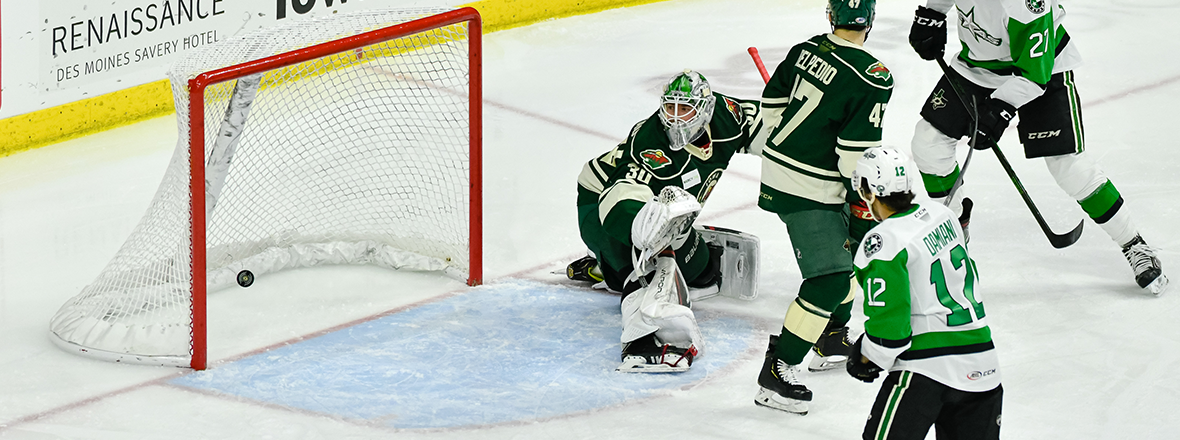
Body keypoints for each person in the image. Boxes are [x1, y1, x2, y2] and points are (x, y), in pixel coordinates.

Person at [906, 0, 1168, 295]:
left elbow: (1034, 74)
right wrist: (933, 14)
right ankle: (953, 238)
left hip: (1043, 69)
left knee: (1069, 167)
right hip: (978, 67)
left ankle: (1134, 244)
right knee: (928, 144)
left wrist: (1000, 110)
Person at [569, 70, 764, 372]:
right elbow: (619, 200)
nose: (674, 118)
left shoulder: (727, 116)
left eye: (684, 108)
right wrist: (646, 232)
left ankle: (608, 264)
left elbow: (769, 124)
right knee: (647, 268)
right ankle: (642, 340)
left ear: (705, 109)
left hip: (657, 209)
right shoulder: (651, 144)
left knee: (702, 272)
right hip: (600, 206)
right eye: (670, 107)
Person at [753, 0, 893, 415]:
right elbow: (853, 159)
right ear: (870, 20)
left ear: (830, 16)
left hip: (780, 169)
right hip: (809, 187)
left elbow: (771, 107)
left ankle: (831, 336)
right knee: (831, 277)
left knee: (855, 252)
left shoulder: (804, 49)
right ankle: (778, 371)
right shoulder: (874, 77)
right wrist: (866, 201)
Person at [846, 146, 1003, 440]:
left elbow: (890, 332)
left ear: (870, 191)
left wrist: (866, 355)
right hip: (984, 367)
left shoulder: (884, 241)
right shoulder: (943, 214)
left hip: (926, 371)